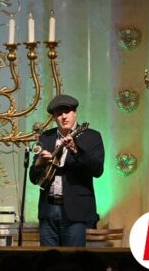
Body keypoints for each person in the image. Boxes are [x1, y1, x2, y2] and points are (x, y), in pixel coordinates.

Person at [29, 94, 104, 247]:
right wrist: (38, 163)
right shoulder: (46, 137)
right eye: (59, 114)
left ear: (74, 113)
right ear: (54, 117)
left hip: (76, 210)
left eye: (67, 112)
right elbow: (33, 178)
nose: (64, 117)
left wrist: (76, 151)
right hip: (48, 210)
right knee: (48, 258)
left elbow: (97, 170)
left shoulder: (91, 137)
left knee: (73, 257)